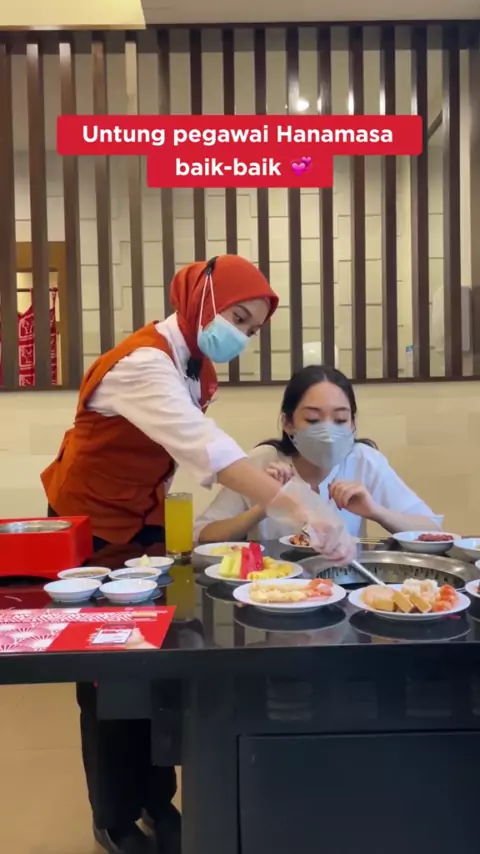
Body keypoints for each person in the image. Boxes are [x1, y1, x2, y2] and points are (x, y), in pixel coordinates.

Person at [41, 258, 354, 854]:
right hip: (93, 528)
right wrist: (301, 506)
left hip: (143, 526)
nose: (241, 334)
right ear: (199, 297)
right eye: (237, 317)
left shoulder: (193, 366)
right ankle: (113, 816)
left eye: (252, 328)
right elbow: (207, 447)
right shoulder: (143, 363)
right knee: (107, 673)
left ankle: (155, 800)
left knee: (152, 664)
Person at [195, 364, 441, 544]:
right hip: (270, 588)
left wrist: (376, 511)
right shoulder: (262, 461)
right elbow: (202, 535)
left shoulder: (364, 461)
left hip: (344, 586)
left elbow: (433, 529)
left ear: (352, 422)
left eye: (340, 419)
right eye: (313, 420)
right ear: (288, 423)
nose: (328, 432)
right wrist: (264, 506)